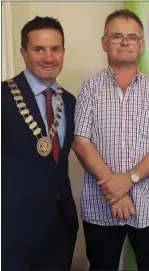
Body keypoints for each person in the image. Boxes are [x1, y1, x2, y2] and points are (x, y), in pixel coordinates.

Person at [72, 9, 149, 270]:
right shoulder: (89, 88)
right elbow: (81, 143)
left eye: (132, 37)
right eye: (117, 36)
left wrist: (128, 180)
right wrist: (116, 191)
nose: (124, 42)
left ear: (141, 45)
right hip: (101, 204)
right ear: (104, 42)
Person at [1, 16, 79, 270]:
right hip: (13, 229)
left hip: (60, 226)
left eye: (55, 49)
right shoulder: (3, 97)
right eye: (39, 49)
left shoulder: (69, 101)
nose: (48, 57)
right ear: (24, 53)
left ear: (63, 53)